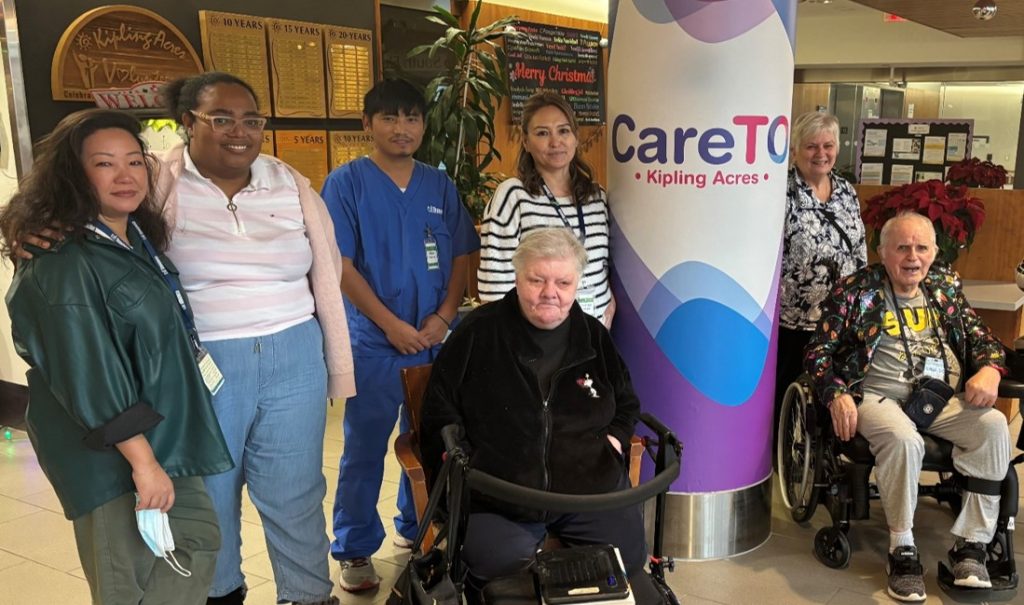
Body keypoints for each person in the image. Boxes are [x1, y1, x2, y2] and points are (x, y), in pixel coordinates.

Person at [0, 108, 233, 603]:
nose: (124, 175)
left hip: (161, 434)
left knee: (196, 542)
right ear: (74, 174)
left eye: (134, 161)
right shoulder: (61, 260)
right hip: (110, 452)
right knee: (128, 579)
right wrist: (143, 463)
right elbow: (88, 373)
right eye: (104, 164)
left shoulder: (133, 236)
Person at [158, 72, 354, 605]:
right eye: (221, 119)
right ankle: (220, 592)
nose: (239, 132)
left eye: (251, 120)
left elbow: (327, 266)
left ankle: (307, 595)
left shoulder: (288, 182)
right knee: (210, 490)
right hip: (204, 359)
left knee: (295, 488)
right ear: (188, 122)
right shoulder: (158, 183)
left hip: (295, 354)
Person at [421, 228, 645, 597]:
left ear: (576, 284)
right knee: (498, 571)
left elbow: (626, 401)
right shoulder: (479, 332)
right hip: (500, 495)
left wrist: (615, 440)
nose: (549, 293)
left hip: (589, 489)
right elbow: (439, 410)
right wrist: (463, 460)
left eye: (563, 282)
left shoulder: (593, 335)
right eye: (537, 280)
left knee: (627, 560)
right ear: (518, 276)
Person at [319, 78, 479, 592]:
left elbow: (461, 254)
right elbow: (340, 265)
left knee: (431, 442)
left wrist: (445, 317)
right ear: (367, 124)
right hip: (374, 343)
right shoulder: (346, 184)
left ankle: (418, 528)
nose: (401, 128)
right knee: (364, 447)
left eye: (412, 118)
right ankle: (354, 547)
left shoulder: (438, 186)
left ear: (423, 125)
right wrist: (391, 326)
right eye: (389, 118)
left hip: (433, 341)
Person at [804, 212, 1010, 602]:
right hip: (878, 395)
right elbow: (818, 353)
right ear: (883, 252)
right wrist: (836, 393)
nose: (912, 257)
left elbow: (982, 337)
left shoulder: (944, 286)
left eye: (921, 248)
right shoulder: (855, 290)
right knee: (904, 440)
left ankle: (971, 547)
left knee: (994, 426)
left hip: (939, 396)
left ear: (934, 253)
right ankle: (902, 549)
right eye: (902, 247)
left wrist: (990, 369)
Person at [477, 91, 614, 327]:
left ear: (576, 137)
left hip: (596, 333)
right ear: (526, 141)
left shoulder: (596, 196)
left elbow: (605, 266)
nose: (555, 142)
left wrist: (610, 302)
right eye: (542, 133)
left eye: (564, 131)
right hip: (539, 337)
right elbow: (494, 288)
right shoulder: (513, 196)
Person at [775, 111, 867, 450]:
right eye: (811, 146)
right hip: (794, 320)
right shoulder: (782, 191)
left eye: (828, 145)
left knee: (834, 394)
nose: (821, 153)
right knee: (787, 399)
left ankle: (825, 456)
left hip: (839, 319)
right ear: (795, 149)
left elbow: (859, 247)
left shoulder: (845, 191)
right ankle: (784, 458)